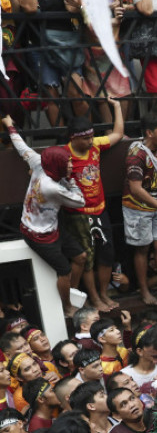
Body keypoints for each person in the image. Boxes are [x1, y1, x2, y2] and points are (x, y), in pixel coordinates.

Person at [4, 116, 86, 318]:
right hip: (38, 235)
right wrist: (71, 180)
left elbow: (22, 148)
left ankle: (71, 293)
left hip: (52, 227)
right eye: (66, 163)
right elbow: (80, 201)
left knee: (81, 257)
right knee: (64, 270)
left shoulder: (40, 163)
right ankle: (67, 307)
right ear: (56, 165)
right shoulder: (52, 188)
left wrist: (10, 126)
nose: (70, 165)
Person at [63, 104, 125, 313]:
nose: (90, 141)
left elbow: (118, 134)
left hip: (100, 209)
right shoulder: (64, 155)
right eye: (85, 138)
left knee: (107, 253)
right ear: (73, 137)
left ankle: (104, 293)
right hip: (79, 215)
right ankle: (94, 297)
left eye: (91, 137)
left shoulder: (96, 145)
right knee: (87, 258)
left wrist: (115, 106)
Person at [122, 112, 157, 306]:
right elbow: (136, 189)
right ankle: (144, 291)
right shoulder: (136, 154)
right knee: (142, 249)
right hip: (138, 208)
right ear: (149, 132)